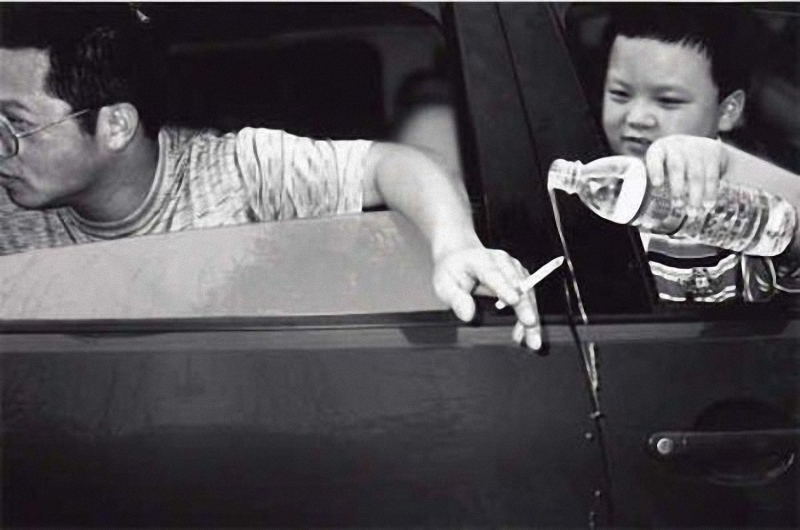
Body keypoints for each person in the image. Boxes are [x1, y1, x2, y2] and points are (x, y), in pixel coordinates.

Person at [0, 4, 542, 349]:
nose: (3, 146)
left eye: (15, 124)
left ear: (116, 125)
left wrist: (454, 247)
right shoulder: (8, 213)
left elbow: (395, 165)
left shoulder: (241, 168)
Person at [598, 4, 800, 303]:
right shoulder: (594, 190)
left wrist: (727, 163)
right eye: (620, 94)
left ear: (728, 111)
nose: (637, 117)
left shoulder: (747, 201)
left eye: (668, 101)